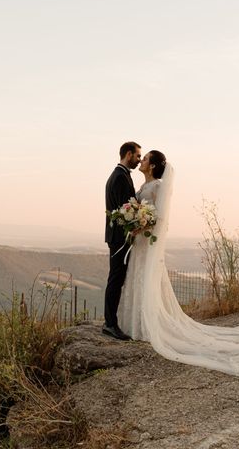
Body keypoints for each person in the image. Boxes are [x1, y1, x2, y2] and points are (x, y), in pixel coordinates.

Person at [116, 150, 239, 382]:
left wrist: (142, 224)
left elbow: (159, 218)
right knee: (137, 277)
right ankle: (136, 323)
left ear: (152, 166)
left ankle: (147, 325)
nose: (141, 161)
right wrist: (134, 221)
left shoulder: (157, 187)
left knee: (145, 278)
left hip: (146, 240)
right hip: (140, 242)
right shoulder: (143, 187)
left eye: (145, 159)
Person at [103, 141, 141, 341]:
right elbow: (125, 210)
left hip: (118, 237)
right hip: (119, 238)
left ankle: (111, 322)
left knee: (117, 279)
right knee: (115, 279)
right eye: (137, 156)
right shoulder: (119, 177)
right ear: (128, 154)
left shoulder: (120, 175)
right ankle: (110, 324)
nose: (139, 160)